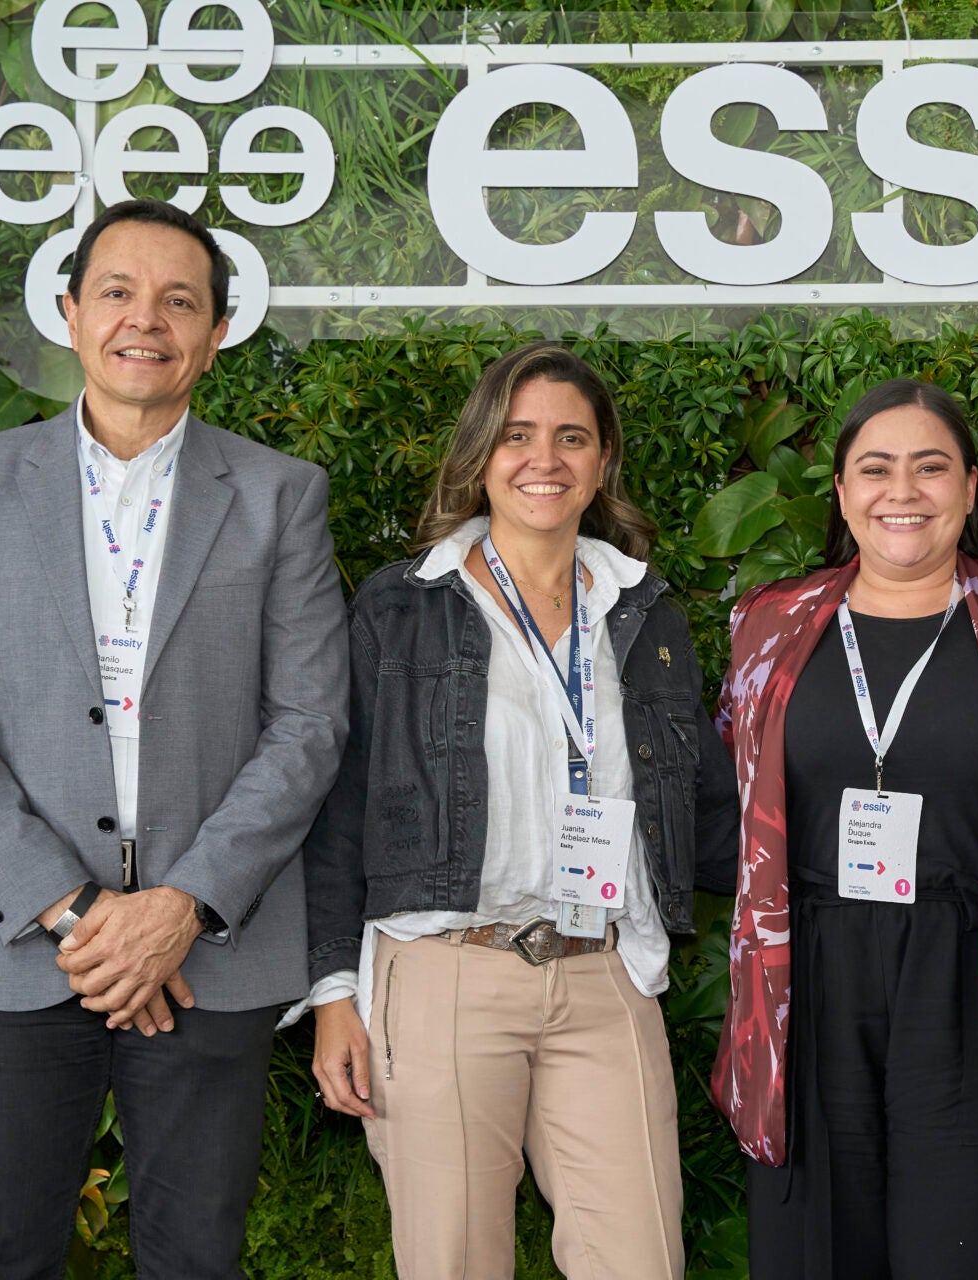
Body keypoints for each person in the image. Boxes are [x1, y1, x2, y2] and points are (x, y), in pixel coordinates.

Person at [0, 198, 349, 1276]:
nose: (148, 319)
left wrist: (179, 906)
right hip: (21, 947)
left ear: (218, 331)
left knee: (196, 1257)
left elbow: (312, 722)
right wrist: (81, 909)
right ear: (70, 311)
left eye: (180, 300)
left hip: (210, 951)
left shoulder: (282, 497)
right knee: (3, 1254)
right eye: (118, 292)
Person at [301, 341, 739, 1280]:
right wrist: (334, 992)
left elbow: (701, 797)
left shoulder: (642, 609)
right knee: (453, 1262)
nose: (545, 459)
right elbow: (337, 808)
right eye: (518, 436)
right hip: (448, 970)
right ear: (481, 456)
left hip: (604, 973)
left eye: (571, 437)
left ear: (603, 460)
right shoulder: (401, 607)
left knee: (643, 1261)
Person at [711, 377, 978, 1279]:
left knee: (972, 1249)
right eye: (875, 469)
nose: (902, 491)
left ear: (971, 486)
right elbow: (730, 793)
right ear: (841, 493)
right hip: (807, 983)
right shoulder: (768, 624)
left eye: (931, 467)